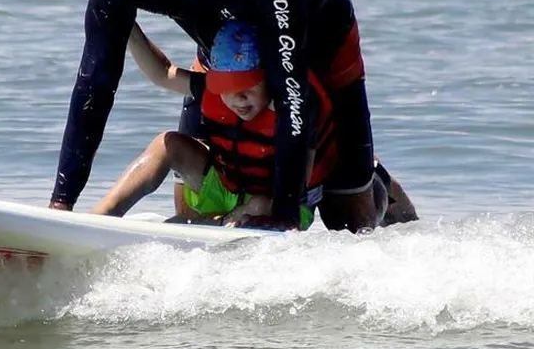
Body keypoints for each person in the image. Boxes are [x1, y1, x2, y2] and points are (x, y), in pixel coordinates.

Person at [49, 0, 404, 231]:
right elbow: (95, 82)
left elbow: (292, 94)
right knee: (192, 213)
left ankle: (376, 179)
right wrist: (61, 205)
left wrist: (281, 214)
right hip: (227, 58)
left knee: (349, 224)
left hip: (319, 48)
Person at [90, 22, 417, 230]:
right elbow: (162, 74)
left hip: (282, 203)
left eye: (248, 87)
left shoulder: (293, 110)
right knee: (169, 143)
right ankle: (102, 216)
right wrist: (125, 27)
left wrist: (264, 209)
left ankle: (379, 178)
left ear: (270, 80)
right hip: (229, 187)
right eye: (228, 88)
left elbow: (297, 183)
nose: (238, 99)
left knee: (355, 219)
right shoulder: (217, 90)